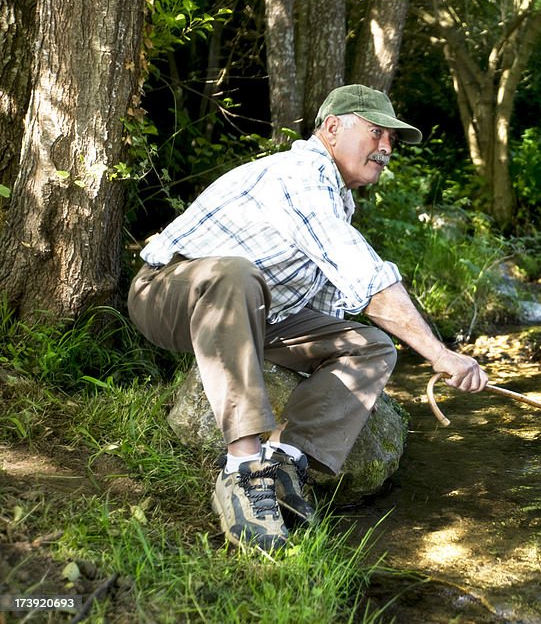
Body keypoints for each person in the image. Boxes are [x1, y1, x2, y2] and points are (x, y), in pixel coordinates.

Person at [127, 84, 488, 551]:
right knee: (236, 275)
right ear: (333, 128)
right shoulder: (303, 173)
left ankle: (283, 463)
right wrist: (440, 354)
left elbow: (335, 304)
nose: (386, 148)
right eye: (376, 132)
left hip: (262, 316)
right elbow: (364, 276)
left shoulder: (340, 199)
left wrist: (399, 345)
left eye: (392, 140)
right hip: (169, 293)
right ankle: (243, 471)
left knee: (372, 347)